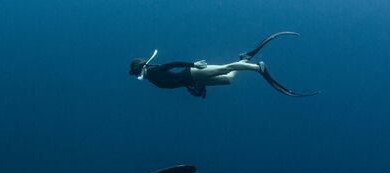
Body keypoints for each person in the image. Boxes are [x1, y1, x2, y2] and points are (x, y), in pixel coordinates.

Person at [128, 32, 319, 99]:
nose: (138, 75)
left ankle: (257, 68)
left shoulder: (152, 72)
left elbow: (173, 64)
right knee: (228, 80)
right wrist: (193, 87)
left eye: (136, 71)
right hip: (191, 80)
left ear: (141, 68)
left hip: (193, 71)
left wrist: (194, 64)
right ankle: (244, 59)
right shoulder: (151, 78)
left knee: (226, 68)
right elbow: (172, 81)